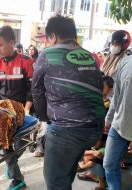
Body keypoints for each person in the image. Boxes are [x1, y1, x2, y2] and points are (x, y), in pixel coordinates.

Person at [31, 14, 105, 190]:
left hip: (67, 130)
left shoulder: (48, 54)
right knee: (66, 173)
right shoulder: (90, 56)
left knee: (55, 182)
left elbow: (36, 89)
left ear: (54, 36)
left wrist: (44, 118)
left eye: (48, 40)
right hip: (94, 129)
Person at [103, 14, 132, 190]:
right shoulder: (125, 62)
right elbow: (117, 96)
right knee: (108, 165)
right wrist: (108, 119)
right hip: (118, 128)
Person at [0, 25, 34, 190]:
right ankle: (17, 179)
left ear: (12, 42)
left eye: (0, 45)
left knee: (21, 144)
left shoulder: (26, 62)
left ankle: (11, 166)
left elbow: (32, 88)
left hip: (23, 111)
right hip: (3, 111)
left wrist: (27, 108)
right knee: (7, 145)